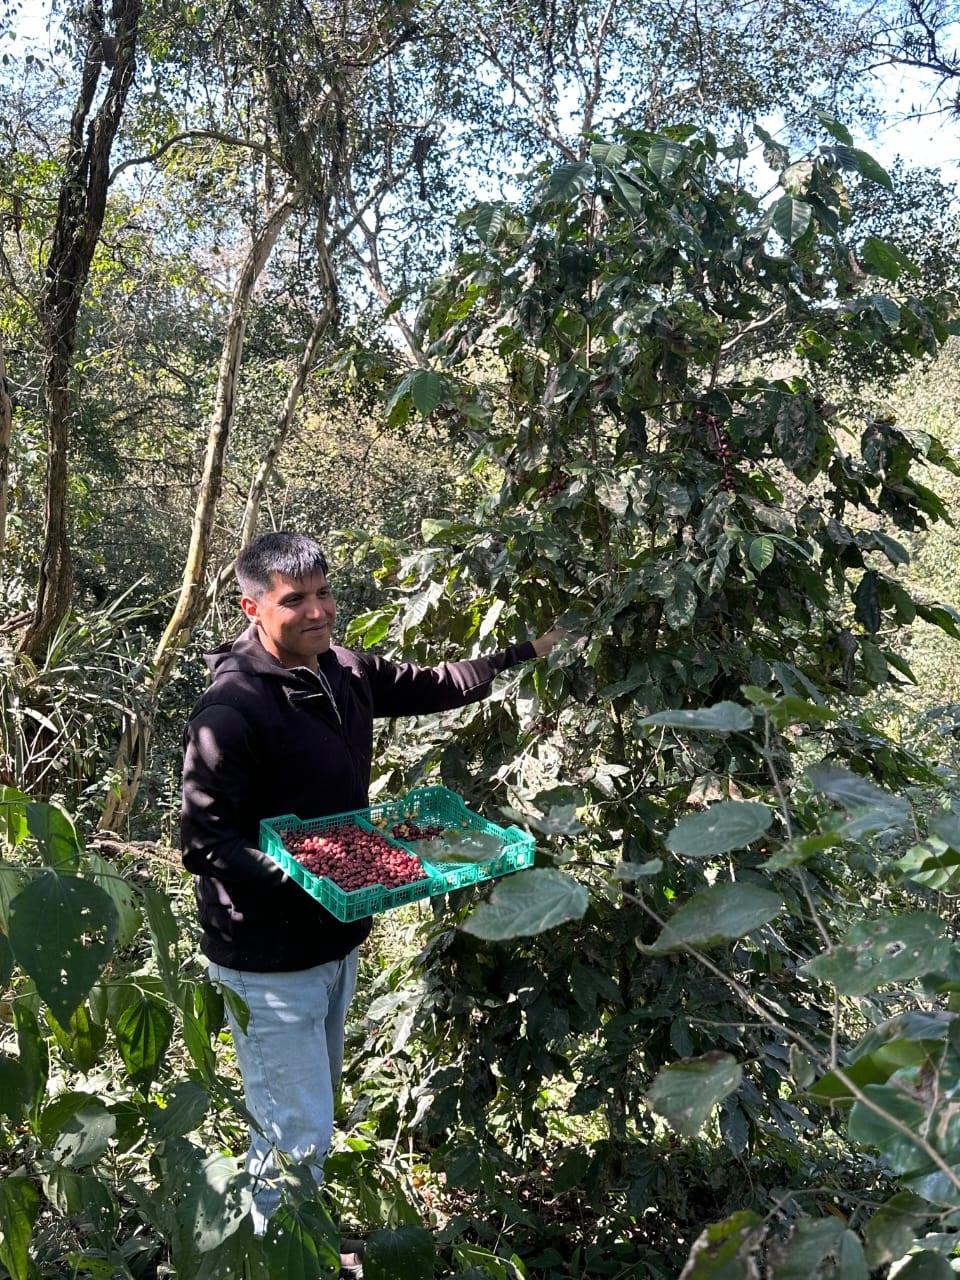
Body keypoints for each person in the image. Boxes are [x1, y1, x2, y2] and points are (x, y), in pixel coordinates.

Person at [180, 530, 562, 1265]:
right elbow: (204, 845)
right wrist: (306, 873)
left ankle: (299, 1244)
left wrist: (529, 651)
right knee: (294, 1132)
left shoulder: (344, 671)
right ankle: (277, 1260)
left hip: (334, 942)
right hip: (267, 959)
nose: (318, 611)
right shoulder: (231, 710)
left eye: (325, 593)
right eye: (296, 600)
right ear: (252, 608)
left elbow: (436, 684)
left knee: (307, 1115)